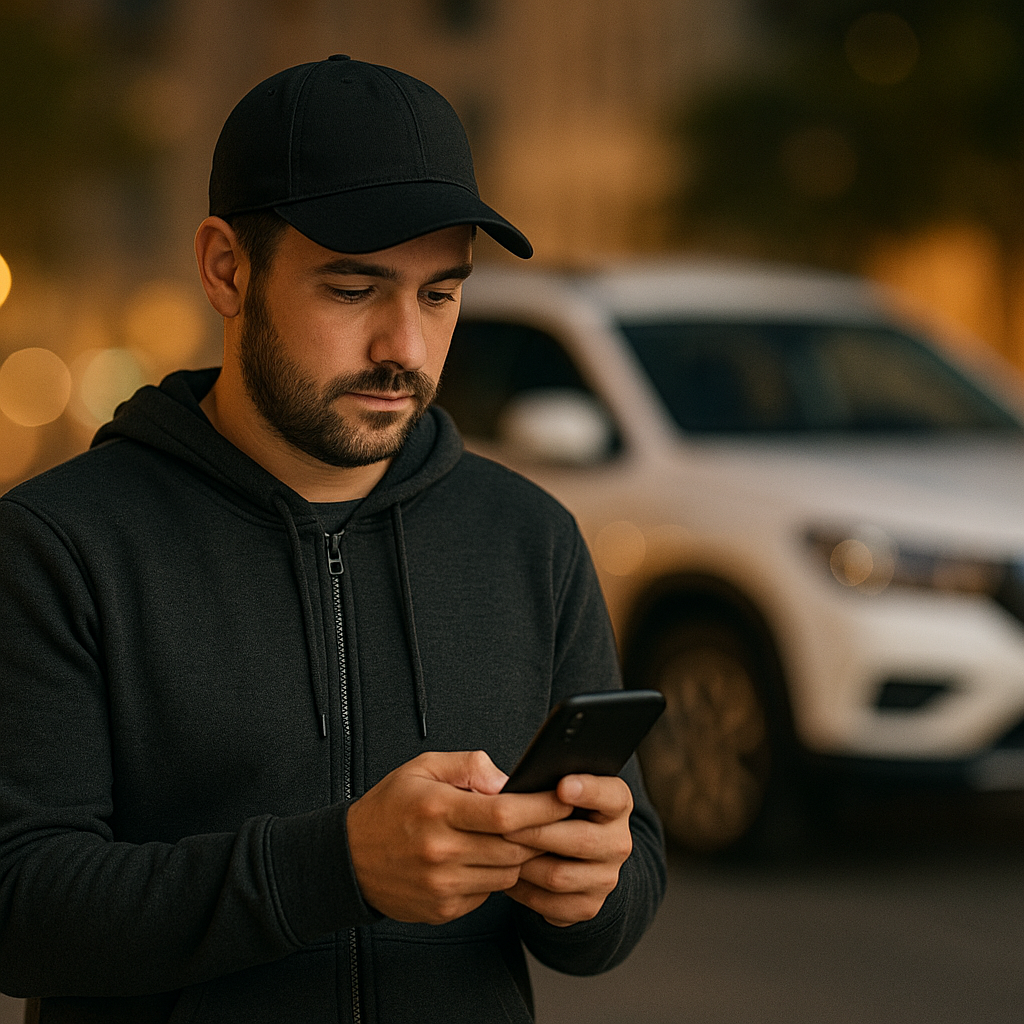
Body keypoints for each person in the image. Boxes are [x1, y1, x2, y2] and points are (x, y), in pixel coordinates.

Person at [0, 56, 665, 1024]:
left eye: (439, 294)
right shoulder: (59, 544)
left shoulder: (530, 538)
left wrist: (589, 890)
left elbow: (628, 879)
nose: (404, 344)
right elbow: (20, 905)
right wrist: (334, 867)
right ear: (228, 268)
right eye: (354, 289)